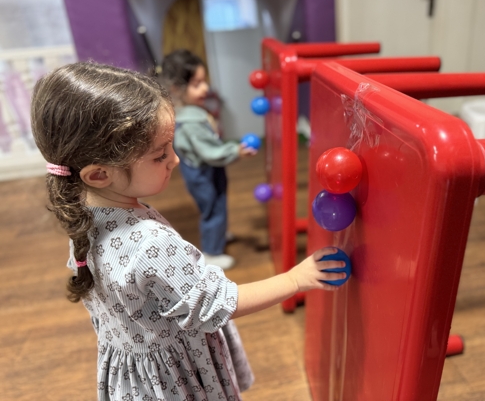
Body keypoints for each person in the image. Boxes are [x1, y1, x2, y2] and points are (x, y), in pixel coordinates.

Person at [30, 62, 347, 401]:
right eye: (159, 155)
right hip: (177, 379)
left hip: (135, 378)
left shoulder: (84, 216)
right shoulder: (150, 242)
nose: (175, 160)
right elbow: (218, 303)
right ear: (99, 175)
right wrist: (296, 279)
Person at [158, 49, 253, 270]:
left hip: (202, 169)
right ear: (177, 89)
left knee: (216, 205)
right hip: (203, 173)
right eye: (197, 84)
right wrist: (235, 151)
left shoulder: (188, 111)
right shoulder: (191, 122)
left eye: (204, 81)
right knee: (213, 208)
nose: (205, 88)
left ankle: (217, 234)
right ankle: (211, 251)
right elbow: (210, 152)